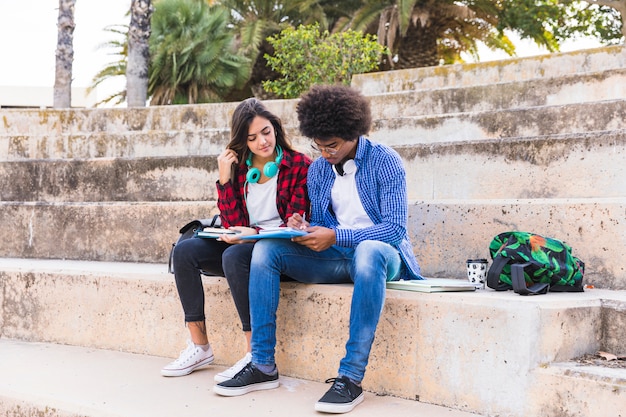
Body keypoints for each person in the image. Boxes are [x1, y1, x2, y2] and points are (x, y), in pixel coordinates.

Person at [214, 85, 422, 414]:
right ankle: (263, 364)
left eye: (332, 145)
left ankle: (350, 378)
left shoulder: (385, 161)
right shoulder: (320, 169)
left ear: (354, 132)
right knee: (267, 250)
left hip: (382, 257)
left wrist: (335, 236)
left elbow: (395, 230)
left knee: (368, 250)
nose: (325, 153)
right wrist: (303, 228)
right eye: (319, 146)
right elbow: (322, 224)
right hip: (337, 259)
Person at [161, 98, 311, 383]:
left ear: (275, 128)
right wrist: (225, 179)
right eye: (252, 138)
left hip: (275, 249)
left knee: (235, 256)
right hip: (245, 242)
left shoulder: (299, 164)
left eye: (266, 132)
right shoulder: (242, 170)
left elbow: (293, 224)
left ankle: (253, 352)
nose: (262, 142)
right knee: (184, 251)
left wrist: (252, 235)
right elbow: (232, 223)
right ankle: (199, 346)